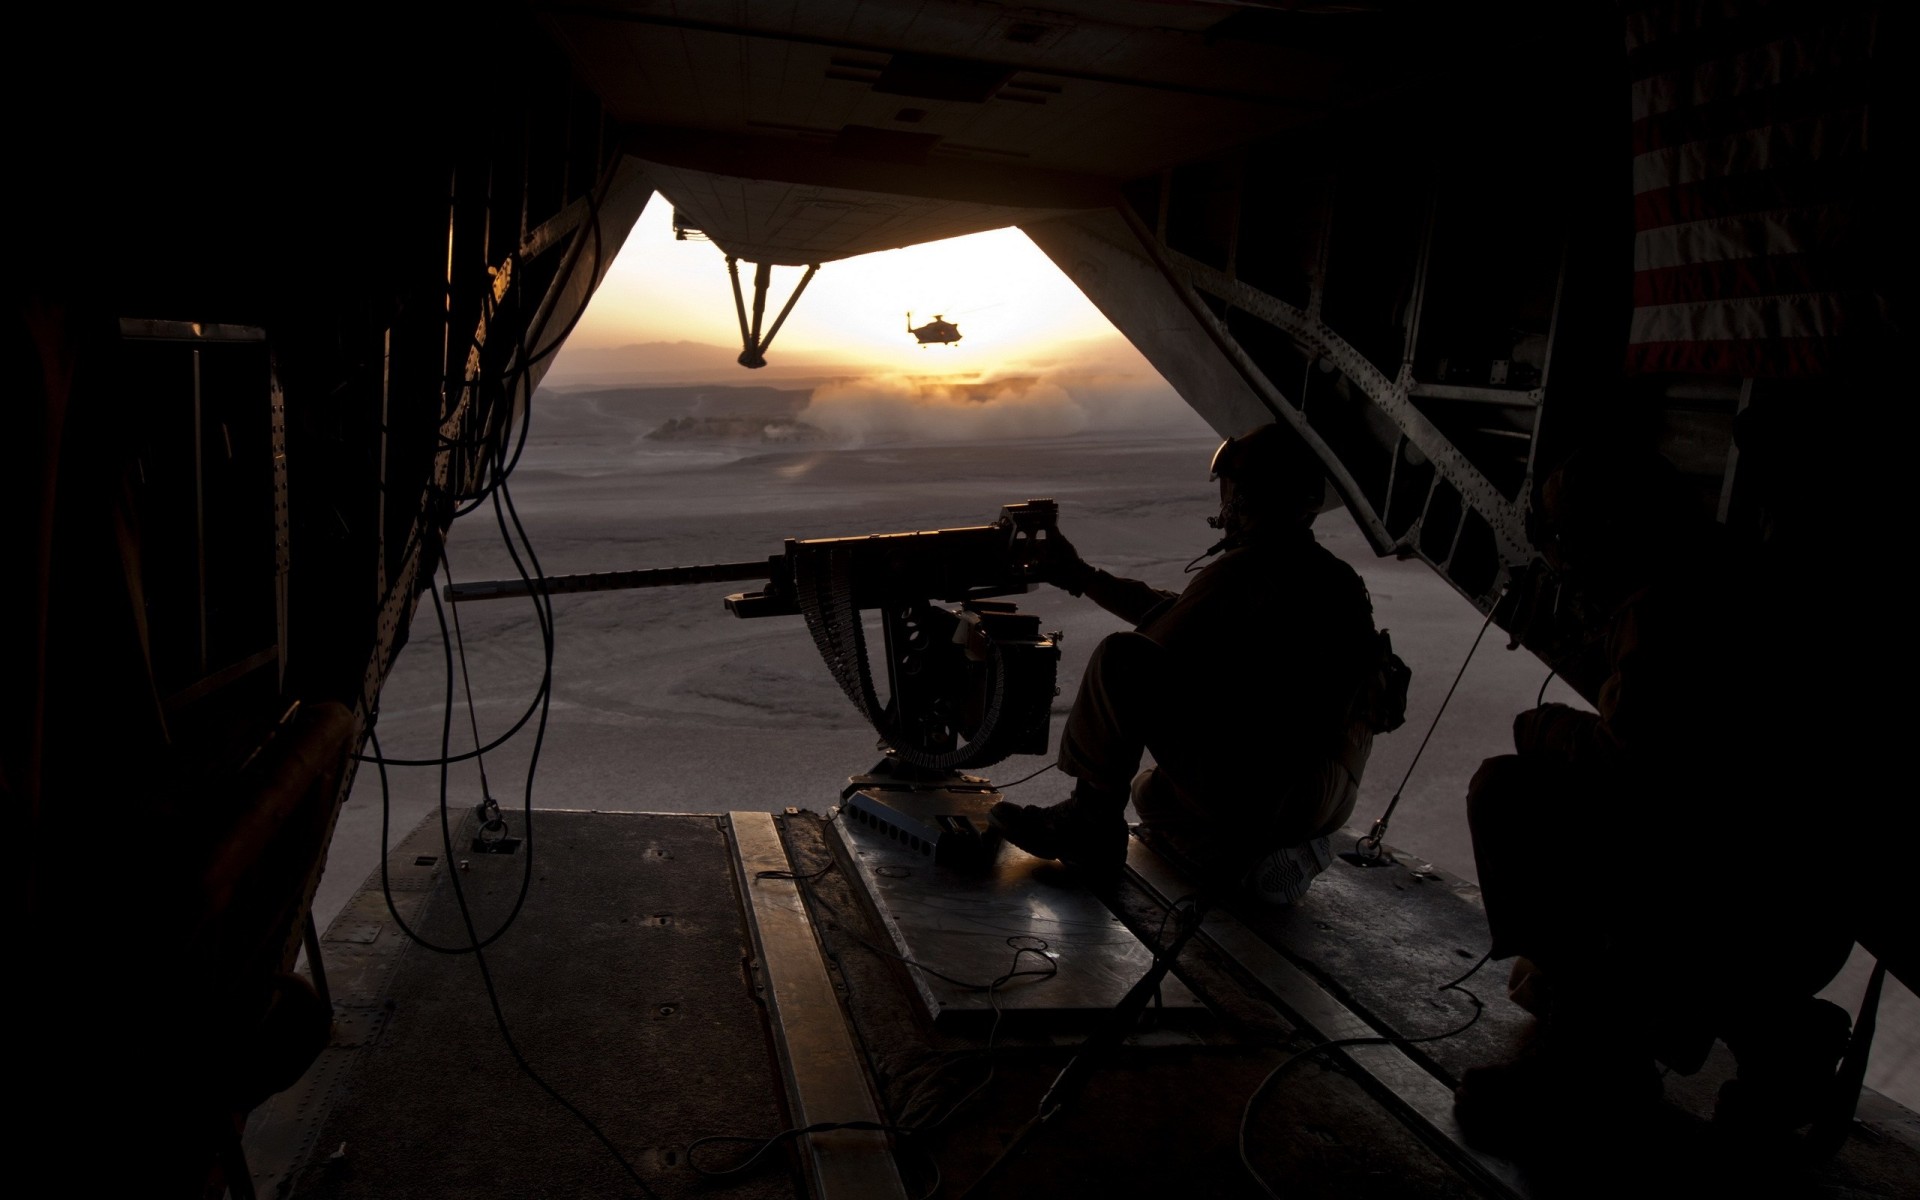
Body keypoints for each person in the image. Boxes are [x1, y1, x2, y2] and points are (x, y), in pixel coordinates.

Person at [1455, 447, 1854, 1154]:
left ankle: (1591, 1063)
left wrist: (1542, 727)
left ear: (1609, 530)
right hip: (1805, 913)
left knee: (1508, 793)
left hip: (1727, 909)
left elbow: (1638, 768)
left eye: (1566, 534)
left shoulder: (1666, 609)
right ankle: (1778, 1037)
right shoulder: (1740, 576)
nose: (1560, 555)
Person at [988, 422, 1387, 902]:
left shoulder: (1248, 568)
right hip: (1326, 792)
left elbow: (1155, 644)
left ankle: (1089, 826)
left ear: (1250, 495)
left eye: (1232, 490)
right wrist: (1081, 577)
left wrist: (1074, 575)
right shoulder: (1328, 573)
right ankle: (1271, 855)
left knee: (1123, 659)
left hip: (1279, 790)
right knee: (1152, 794)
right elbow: (1176, 612)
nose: (1226, 503)